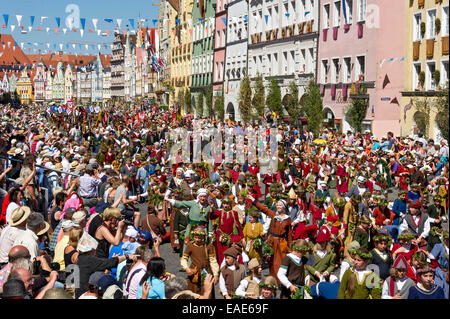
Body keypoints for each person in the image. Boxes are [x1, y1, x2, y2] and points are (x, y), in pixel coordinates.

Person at [74, 231, 135, 298]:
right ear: (90, 250)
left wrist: (110, 262)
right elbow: (108, 263)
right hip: (85, 293)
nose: (95, 252)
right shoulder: (89, 260)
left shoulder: (80, 259)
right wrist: (127, 256)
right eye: (94, 250)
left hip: (79, 293)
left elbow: (106, 264)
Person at [247, 194, 292, 282]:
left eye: (280, 205)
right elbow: (264, 209)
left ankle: (280, 281)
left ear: (284, 207)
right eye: (277, 205)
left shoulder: (288, 219)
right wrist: (253, 200)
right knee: (271, 263)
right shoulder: (273, 215)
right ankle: (272, 280)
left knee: (279, 262)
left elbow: (289, 234)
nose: (278, 206)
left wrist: (290, 247)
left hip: (281, 243)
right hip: (271, 242)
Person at [180, 226, 219, 294]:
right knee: (194, 293)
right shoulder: (190, 246)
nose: (197, 240)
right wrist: (186, 268)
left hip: (207, 272)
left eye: (199, 238)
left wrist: (215, 274)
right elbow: (184, 259)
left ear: (203, 237)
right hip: (194, 273)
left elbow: (213, 261)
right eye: (195, 237)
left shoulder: (208, 246)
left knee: (207, 293)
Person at [210, 197, 244, 265]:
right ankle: (222, 269)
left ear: (230, 204)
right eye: (224, 204)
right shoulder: (219, 212)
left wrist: (242, 237)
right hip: (221, 236)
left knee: (230, 253)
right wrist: (211, 209)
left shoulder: (234, 213)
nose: (225, 205)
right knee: (221, 254)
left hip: (230, 236)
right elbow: (211, 217)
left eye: (227, 204)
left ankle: (230, 268)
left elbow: (238, 226)